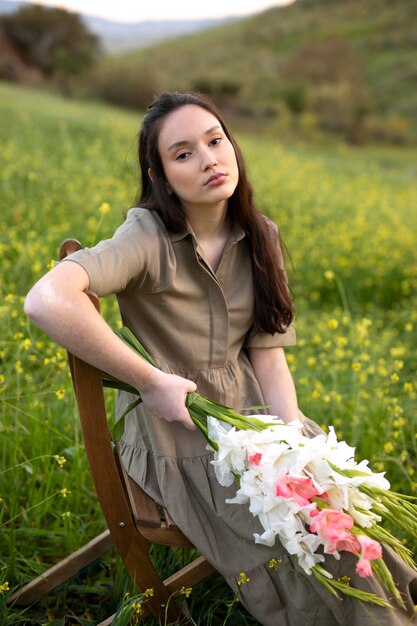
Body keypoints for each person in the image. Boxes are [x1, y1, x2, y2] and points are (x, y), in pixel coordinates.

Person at [24, 91, 416, 625]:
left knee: (350, 524)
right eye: (183, 153)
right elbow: (45, 299)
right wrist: (151, 381)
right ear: (160, 175)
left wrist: (290, 431)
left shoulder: (260, 235)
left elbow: (268, 354)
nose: (209, 159)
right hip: (175, 434)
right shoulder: (148, 237)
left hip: (250, 422)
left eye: (215, 140)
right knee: (312, 544)